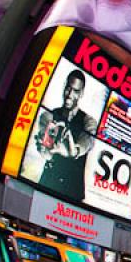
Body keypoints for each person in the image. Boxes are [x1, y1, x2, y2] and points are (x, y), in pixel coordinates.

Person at [35, 68, 97, 202]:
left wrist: (72, 149)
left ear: (81, 94)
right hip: (47, 186)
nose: (69, 94)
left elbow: (87, 142)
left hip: (71, 197)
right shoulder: (49, 115)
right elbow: (46, 152)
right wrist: (46, 151)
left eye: (75, 91)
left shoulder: (89, 122)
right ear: (64, 87)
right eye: (68, 88)